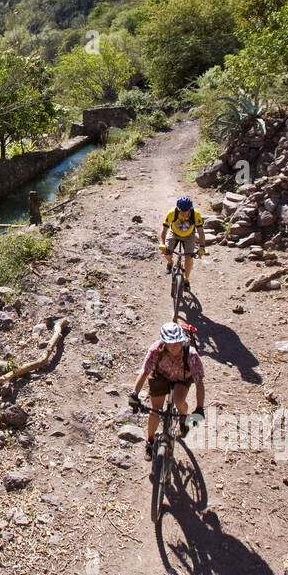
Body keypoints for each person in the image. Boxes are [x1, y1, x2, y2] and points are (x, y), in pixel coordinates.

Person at [129, 321, 206, 460]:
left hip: (182, 378)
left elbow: (199, 382)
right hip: (161, 375)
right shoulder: (156, 350)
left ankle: (183, 418)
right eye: (171, 344)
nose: (175, 347)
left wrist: (200, 407)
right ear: (164, 343)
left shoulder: (191, 354)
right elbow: (144, 372)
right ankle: (150, 441)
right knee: (155, 410)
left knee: (179, 400)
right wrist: (134, 393)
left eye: (178, 343)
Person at [162, 195, 207, 287]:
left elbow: (201, 232)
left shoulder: (196, 214)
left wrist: (202, 247)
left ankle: (186, 278)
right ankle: (170, 262)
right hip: (174, 233)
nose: (183, 213)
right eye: (181, 211)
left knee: (189, 257)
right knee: (166, 252)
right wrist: (162, 243)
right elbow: (164, 230)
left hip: (189, 236)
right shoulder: (172, 213)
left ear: (190, 209)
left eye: (185, 211)